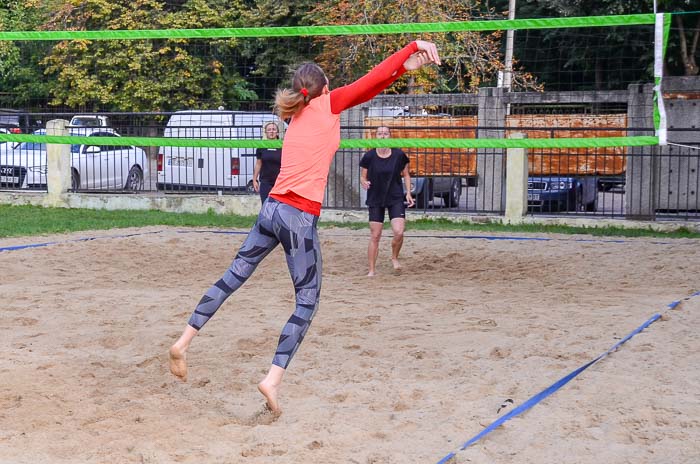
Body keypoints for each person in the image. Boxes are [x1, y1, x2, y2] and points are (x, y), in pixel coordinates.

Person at [168, 40, 441, 415]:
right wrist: (411, 46)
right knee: (307, 300)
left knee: (233, 276)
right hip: (297, 216)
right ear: (324, 88)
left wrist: (402, 70)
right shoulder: (328, 105)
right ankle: (272, 380)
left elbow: (370, 86)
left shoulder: (294, 116)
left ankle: (183, 342)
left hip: (271, 210)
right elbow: (369, 80)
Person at [360, 126, 414, 276]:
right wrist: (363, 182)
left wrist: (408, 193)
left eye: (385, 133)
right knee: (375, 235)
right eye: (380, 134)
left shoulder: (398, 155)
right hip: (375, 198)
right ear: (376, 136)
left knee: (399, 231)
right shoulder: (369, 156)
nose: (383, 136)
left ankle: (394, 257)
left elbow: (406, 175)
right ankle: (371, 270)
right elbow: (363, 176)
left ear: (390, 136)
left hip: (395, 197)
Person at [252, 121, 283, 203]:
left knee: (279, 207)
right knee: (266, 206)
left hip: (279, 181)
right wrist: (254, 179)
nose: (271, 131)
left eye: (274, 129)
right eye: (269, 130)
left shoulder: (282, 145)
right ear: (265, 132)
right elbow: (258, 163)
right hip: (265, 181)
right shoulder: (262, 146)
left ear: (277, 132)